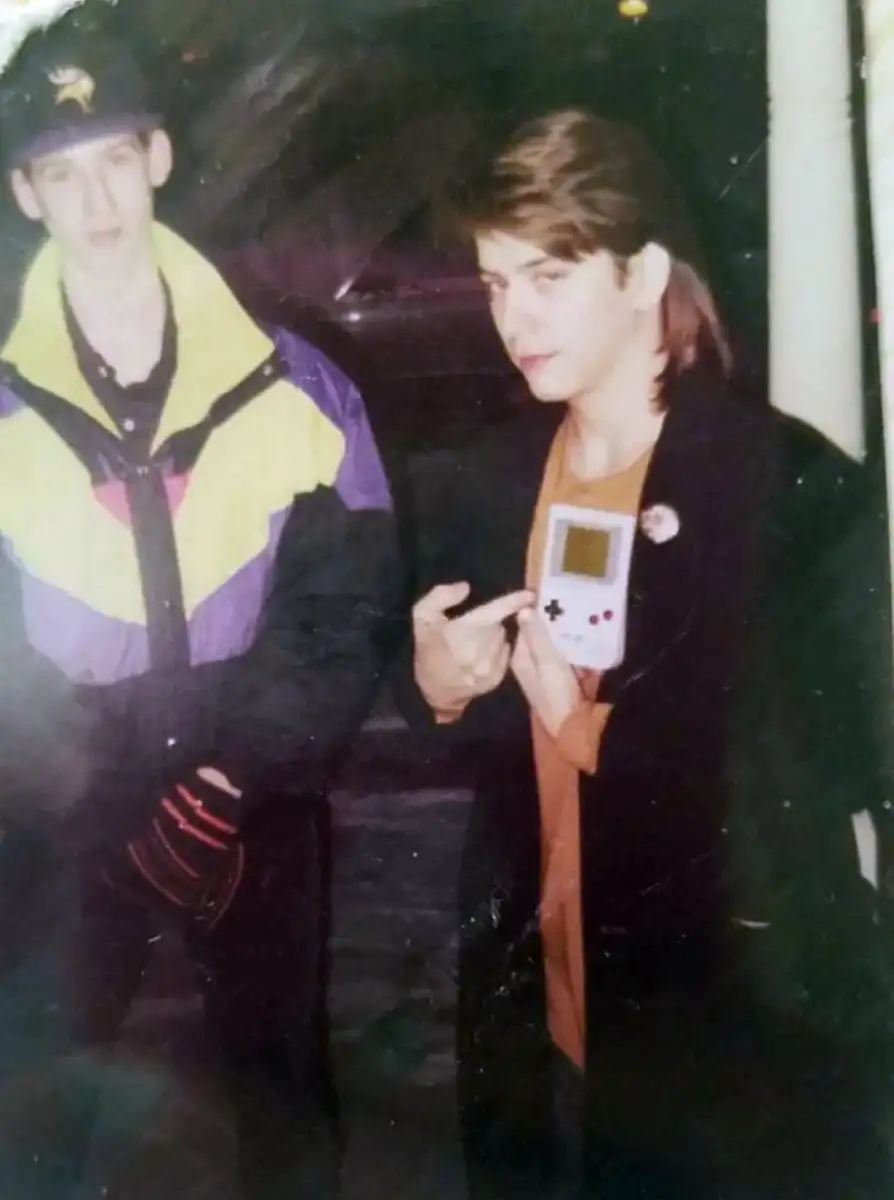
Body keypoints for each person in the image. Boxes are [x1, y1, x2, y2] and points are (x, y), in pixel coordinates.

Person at [397, 109, 894, 1199]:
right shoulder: (492, 477)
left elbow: (841, 760)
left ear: (642, 273)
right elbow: (480, 720)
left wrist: (585, 727)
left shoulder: (786, 483)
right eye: (493, 284)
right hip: (540, 994)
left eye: (546, 277)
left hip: (714, 1015)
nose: (511, 318)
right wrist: (439, 683)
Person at [0, 25, 401, 1200]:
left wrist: (235, 772)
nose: (97, 200)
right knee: (36, 1108)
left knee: (282, 1110)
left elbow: (346, 601)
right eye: (61, 172)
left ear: (160, 158)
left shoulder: (297, 384)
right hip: (65, 810)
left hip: (256, 793)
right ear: (27, 196)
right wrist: (82, 781)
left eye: (115, 158)